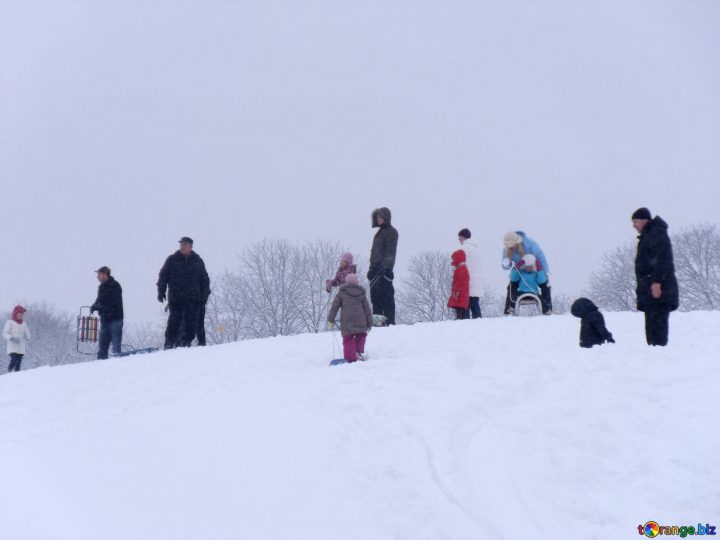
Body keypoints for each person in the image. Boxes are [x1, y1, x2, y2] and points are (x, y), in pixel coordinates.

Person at [632, 207, 679, 346]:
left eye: (635, 221)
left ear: (644, 220)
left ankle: (659, 358)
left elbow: (664, 259)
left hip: (658, 291)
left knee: (657, 331)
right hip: (650, 291)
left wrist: (656, 282)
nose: (633, 225)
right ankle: (654, 357)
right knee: (652, 330)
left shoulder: (656, 233)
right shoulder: (649, 235)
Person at [157, 237, 211, 349]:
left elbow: (205, 280)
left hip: (194, 299)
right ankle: (169, 343)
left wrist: (204, 296)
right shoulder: (172, 260)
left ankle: (186, 343)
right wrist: (161, 291)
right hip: (176, 298)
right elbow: (163, 276)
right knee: (173, 322)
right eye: (181, 244)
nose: (182, 246)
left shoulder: (197, 261)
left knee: (192, 323)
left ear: (190, 247)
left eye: (185, 244)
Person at [502, 231, 552, 314]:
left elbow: (541, 256)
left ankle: (547, 310)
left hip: (535, 269)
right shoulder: (507, 250)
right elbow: (506, 267)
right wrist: (508, 264)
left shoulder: (530, 244)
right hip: (520, 272)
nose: (511, 248)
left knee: (545, 285)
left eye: (512, 246)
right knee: (511, 286)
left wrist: (544, 272)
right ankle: (509, 309)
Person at [327, 273, 373, 363]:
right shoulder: (361, 293)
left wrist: (330, 319)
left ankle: (350, 358)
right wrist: (370, 322)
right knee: (361, 335)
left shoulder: (341, 292)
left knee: (348, 338)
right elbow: (367, 309)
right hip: (360, 319)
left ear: (346, 282)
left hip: (347, 320)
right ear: (357, 282)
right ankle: (358, 353)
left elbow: (334, 307)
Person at [368, 207, 399, 325]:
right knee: (376, 298)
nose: (378, 219)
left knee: (387, 297)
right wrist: (371, 268)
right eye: (377, 217)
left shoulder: (391, 232)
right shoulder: (378, 234)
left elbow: (391, 252)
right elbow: (374, 253)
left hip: (385, 271)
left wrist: (385, 267)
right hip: (375, 271)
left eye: (380, 217)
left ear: (386, 217)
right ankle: (377, 323)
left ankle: (389, 323)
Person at [90, 266, 124, 359]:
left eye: (99, 274)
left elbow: (113, 301)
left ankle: (117, 365)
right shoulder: (101, 287)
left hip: (115, 320)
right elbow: (99, 300)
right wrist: (94, 305)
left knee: (116, 346)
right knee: (102, 347)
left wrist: (101, 306)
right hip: (104, 320)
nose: (97, 277)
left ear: (105, 274)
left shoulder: (115, 285)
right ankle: (100, 366)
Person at [458, 228, 482, 318]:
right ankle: (479, 321)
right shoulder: (477, 249)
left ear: (463, 237)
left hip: (467, 280)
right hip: (477, 280)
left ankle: (466, 324)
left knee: (465, 303)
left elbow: (461, 265)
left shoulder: (464, 248)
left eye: (459, 237)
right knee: (475, 303)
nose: (459, 239)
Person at [3, 305, 30, 372]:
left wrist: (28, 337)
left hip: (21, 345)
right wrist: (11, 338)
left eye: (22, 314)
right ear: (15, 313)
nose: (21, 315)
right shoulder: (10, 322)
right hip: (12, 346)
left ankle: (17, 376)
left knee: (18, 362)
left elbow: (27, 332)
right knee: (14, 360)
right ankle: (9, 372)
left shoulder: (24, 323)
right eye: (19, 313)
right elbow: (5, 333)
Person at [448, 249, 470, 319]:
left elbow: (458, 282)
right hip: (462, 293)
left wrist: (456, 291)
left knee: (459, 310)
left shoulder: (460, 269)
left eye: (454, 258)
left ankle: (459, 320)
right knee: (461, 309)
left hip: (459, 294)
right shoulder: (463, 268)